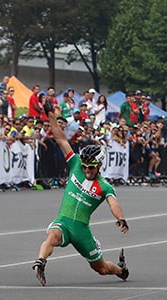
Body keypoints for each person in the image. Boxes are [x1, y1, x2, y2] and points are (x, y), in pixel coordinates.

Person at [31, 103, 130, 287]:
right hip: (64, 221)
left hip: (82, 231)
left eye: (90, 167)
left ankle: (120, 270)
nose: (86, 170)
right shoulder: (76, 164)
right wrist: (50, 114)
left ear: (99, 166)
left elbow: (113, 203)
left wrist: (121, 218)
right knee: (52, 236)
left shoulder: (104, 186)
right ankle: (40, 263)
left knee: (101, 269)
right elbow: (61, 139)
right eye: (84, 166)